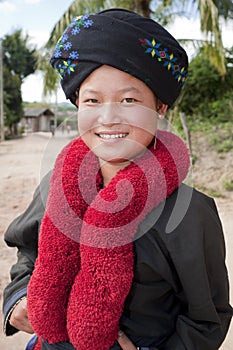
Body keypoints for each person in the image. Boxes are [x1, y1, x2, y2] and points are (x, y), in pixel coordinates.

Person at [2, 8, 233, 350]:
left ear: (161, 107)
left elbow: (205, 318)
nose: (108, 117)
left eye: (129, 99)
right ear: (77, 104)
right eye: (92, 100)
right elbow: (27, 254)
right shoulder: (57, 186)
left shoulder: (191, 213)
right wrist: (19, 300)